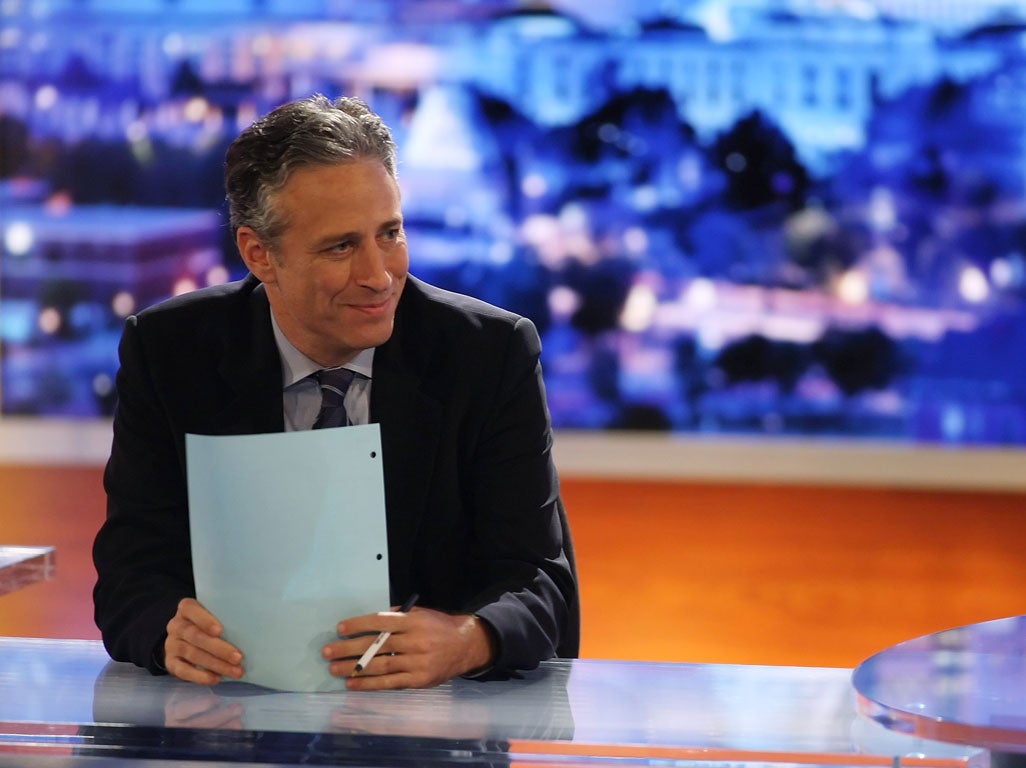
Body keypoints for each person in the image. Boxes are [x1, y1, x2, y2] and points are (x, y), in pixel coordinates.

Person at [93, 94, 580, 691]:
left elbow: (543, 585)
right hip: (230, 723)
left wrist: (465, 641)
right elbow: (129, 576)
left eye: (391, 233)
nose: (378, 275)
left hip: (435, 731)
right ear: (259, 254)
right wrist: (167, 630)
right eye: (341, 246)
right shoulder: (170, 351)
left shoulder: (489, 354)